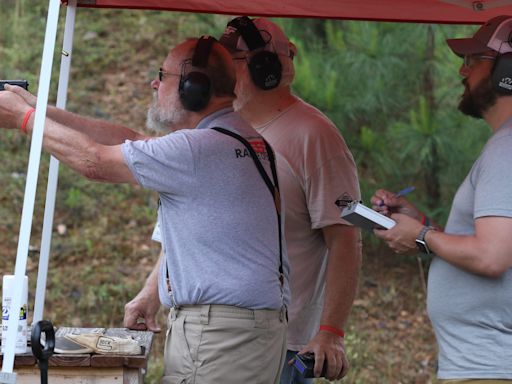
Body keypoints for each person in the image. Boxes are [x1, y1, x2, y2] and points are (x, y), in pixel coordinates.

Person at [0, 36, 290, 384]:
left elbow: (95, 161)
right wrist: (36, 108)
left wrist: (25, 119)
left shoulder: (197, 148)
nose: (154, 83)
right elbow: (130, 139)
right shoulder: (238, 137)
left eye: (162, 75)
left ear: (194, 87)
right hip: (241, 333)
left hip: (221, 339)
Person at [218, 17, 361, 383]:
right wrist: (148, 296)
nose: (217, 71)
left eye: (228, 60)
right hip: (219, 340)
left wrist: (330, 331)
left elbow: (345, 235)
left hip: (284, 345)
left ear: (262, 68)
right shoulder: (219, 130)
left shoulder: (314, 135)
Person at [371, 15, 512, 383]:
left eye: (473, 60)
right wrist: (424, 225)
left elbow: (492, 256)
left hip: (490, 367)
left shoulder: (508, 149)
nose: (462, 72)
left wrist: (421, 235)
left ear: (506, 69)